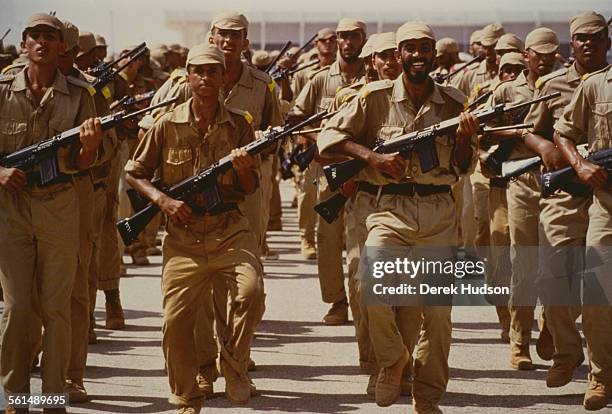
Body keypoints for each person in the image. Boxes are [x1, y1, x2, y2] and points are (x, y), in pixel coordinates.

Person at [318, 21, 479, 413]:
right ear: (399, 55)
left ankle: (426, 396)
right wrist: (373, 158)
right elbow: (326, 141)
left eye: (425, 48)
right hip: (388, 210)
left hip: (439, 212)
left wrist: (462, 140)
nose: (418, 55)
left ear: (434, 54)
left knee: (438, 316)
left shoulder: (455, 103)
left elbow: (463, 166)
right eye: (409, 49)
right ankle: (392, 360)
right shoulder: (374, 98)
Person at [125, 44, 264, 412]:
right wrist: (164, 201)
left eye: (213, 72)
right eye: (198, 72)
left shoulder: (240, 124)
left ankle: (233, 365)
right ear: (187, 76)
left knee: (251, 293)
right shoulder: (166, 124)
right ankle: (187, 395)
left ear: (223, 78)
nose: (205, 79)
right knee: (174, 321)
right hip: (184, 238)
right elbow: (133, 172)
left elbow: (252, 188)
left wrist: (244, 168)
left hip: (229, 228)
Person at [0, 13, 102, 414]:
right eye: (35, 36)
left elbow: (85, 162)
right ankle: (14, 396)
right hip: (10, 210)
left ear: (62, 47)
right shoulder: (3, 90)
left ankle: (53, 397)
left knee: (55, 309)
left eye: (50, 37)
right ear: (24, 44)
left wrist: (91, 147)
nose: (42, 42)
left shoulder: (80, 93)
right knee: (17, 307)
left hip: (59, 205)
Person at [523, 11, 609, 387]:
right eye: (581, 38)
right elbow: (529, 129)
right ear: (570, 44)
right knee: (553, 278)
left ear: (607, 40)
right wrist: (546, 148)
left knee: (598, 280)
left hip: (605, 197)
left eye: (595, 37)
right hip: (566, 194)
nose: (588, 44)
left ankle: (600, 366)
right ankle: (566, 352)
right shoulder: (553, 84)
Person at [291, 18, 366, 326]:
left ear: (363, 39)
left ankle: (364, 300)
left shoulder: (373, 75)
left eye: (354, 37)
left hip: (364, 170)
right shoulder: (322, 80)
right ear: (336, 40)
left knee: (362, 241)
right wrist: (320, 142)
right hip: (328, 171)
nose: (347, 42)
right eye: (343, 37)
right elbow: (296, 118)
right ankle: (337, 301)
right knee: (328, 239)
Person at [554, 61, 612, 412]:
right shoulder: (595, 85)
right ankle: (602, 376)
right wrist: (580, 165)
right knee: (597, 295)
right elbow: (564, 132)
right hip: (607, 208)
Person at [292, 27, 337, 260]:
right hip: (310, 142)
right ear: (316, 44)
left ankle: (331, 240)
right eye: (323, 40)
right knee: (307, 194)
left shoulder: (344, 74)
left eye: (332, 40)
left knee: (331, 193)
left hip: (337, 146)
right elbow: (296, 111)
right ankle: (306, 238)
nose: (328, 44)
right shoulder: (305, 74)